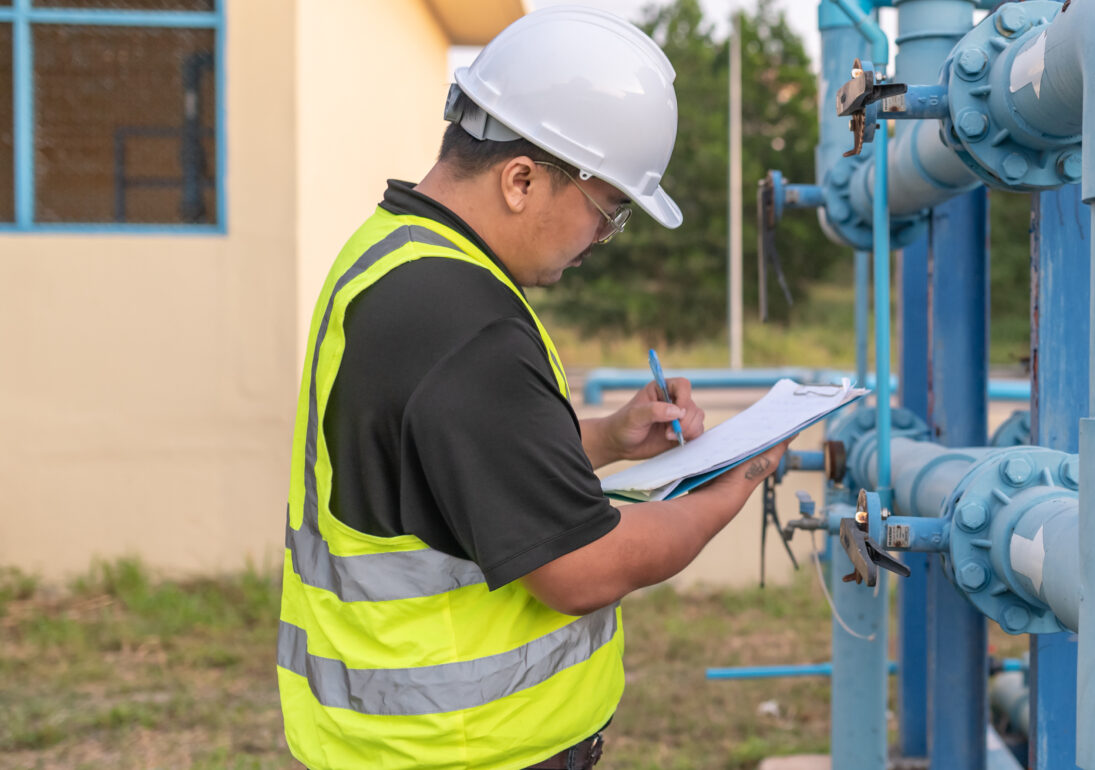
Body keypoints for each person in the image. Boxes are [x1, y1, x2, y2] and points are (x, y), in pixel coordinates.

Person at [275, 7, 789, 769]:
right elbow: (581, 567)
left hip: (396, 745)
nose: (599, 243)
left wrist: (608, 438)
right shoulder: (464, 320)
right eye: (606, 213)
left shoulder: (390, 256)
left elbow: (451, 465)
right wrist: (731, 482)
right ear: (521, 178)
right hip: (462, 749)